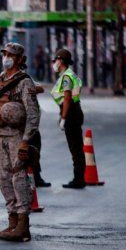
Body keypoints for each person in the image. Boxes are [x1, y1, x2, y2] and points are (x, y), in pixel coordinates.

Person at [0, 42, 40, 242]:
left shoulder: (24, 82)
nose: (6, 57)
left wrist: (26, 141)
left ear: (20, 59)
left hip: (16, 137)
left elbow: (33, 113)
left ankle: (23, 225)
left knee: (18, 178)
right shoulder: (0, 79)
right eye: (5, 53)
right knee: (4, 179)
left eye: (11, 55)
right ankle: (12, 222)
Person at [51, 48, 86, 189]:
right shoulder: (69, 74)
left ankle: (78, 179)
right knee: (77, 147)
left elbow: (67, 98)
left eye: (55, 60)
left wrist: (64, 117)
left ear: (61, 61)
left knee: (75, 148)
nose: (54, 63)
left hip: (71, 113)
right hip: (74, 111)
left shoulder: (66, 77)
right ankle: (79, 178)